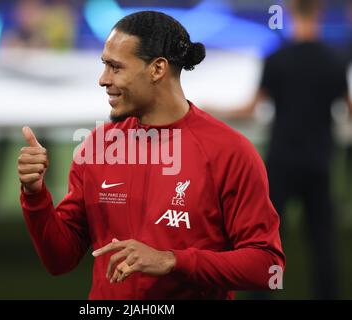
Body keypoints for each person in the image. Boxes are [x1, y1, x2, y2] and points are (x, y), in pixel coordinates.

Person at [18, 11, 285, 300]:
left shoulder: (230, 151)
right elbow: (60, 260)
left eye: (115, 67)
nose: (102, 79)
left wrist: (171, 260)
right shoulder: (98, 146)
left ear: (157, 69)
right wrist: (35, 195)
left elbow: (267, 267)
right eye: (104, 65)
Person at [207, 0, 351, 299]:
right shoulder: (335, 59)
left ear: (289, 11)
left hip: (281, 162)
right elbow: (348, 110)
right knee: (323, 245)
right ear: (320, 12)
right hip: (320, 163)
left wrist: (210, 110)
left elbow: (250, 108)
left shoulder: (277, 58)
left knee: (266, 244)